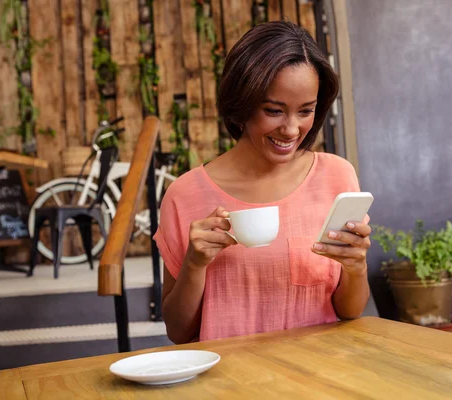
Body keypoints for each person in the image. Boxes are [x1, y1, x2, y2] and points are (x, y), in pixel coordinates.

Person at [154, 20, 371, 344]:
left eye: (305, 111)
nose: (291, 129)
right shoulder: (185, 195)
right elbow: (178, 332)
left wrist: (356, 268)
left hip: (317, 382)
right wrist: (195, 265)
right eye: (274, 110)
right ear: (242, 102)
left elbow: (349, 312)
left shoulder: (336, 177)